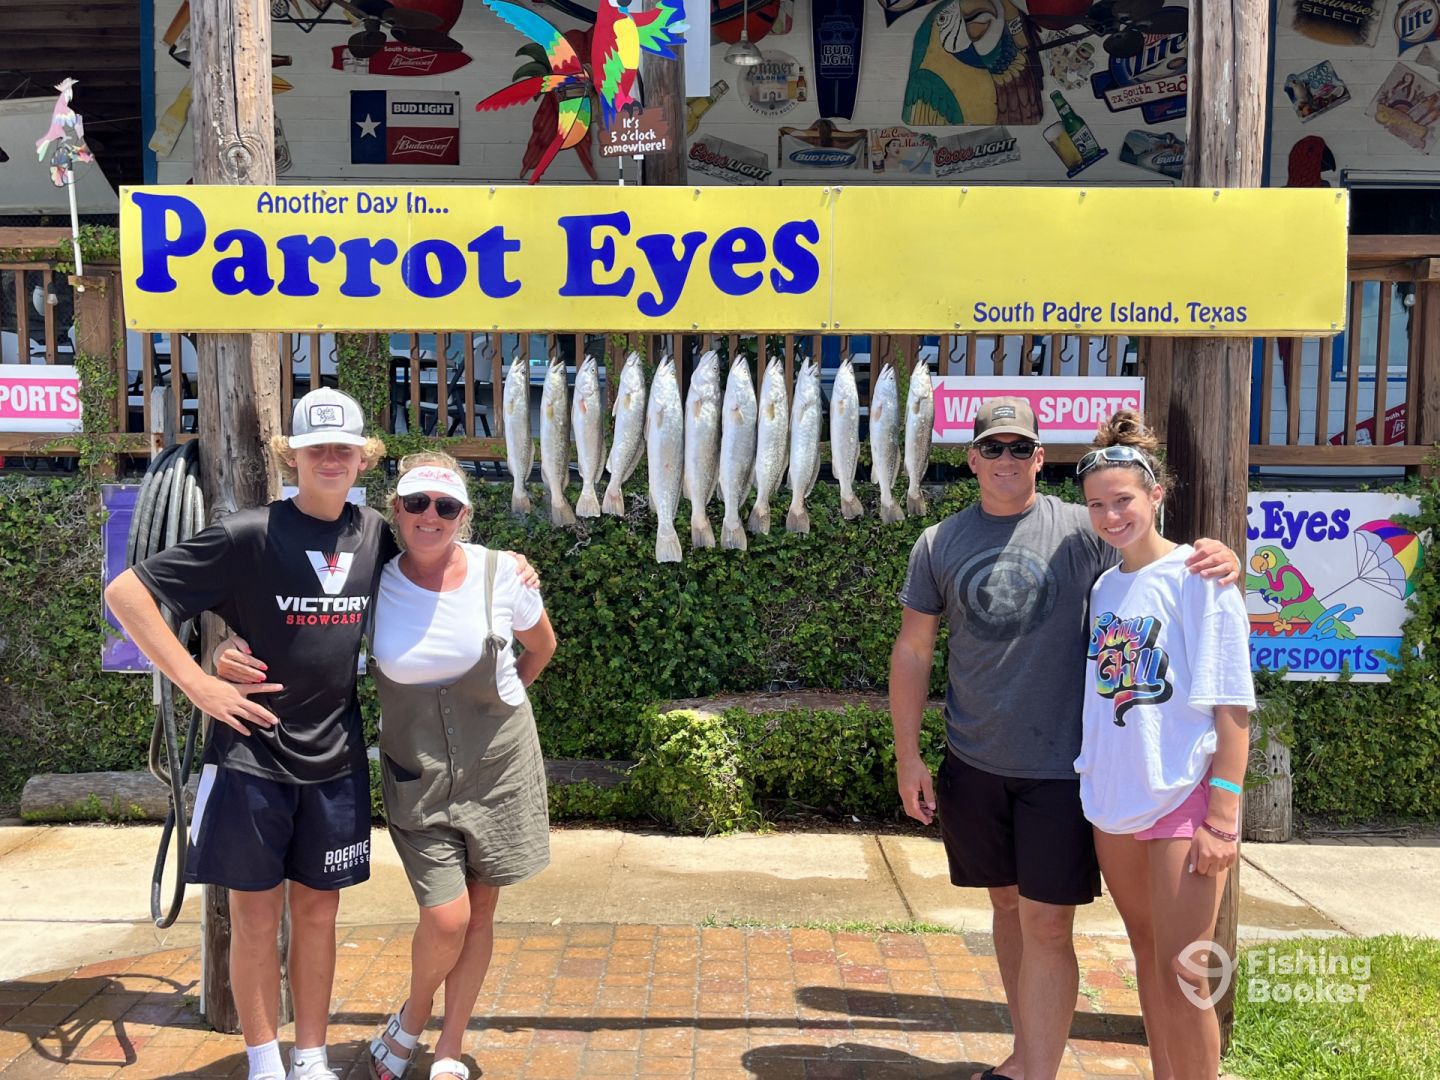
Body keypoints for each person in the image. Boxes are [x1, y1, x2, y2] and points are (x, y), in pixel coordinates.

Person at [888, 397, 1239, 1080]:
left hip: (1067, 774)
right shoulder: (940, 543)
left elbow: (1160, 561)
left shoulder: (1085, 533)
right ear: (972, 459)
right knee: (1014, 911)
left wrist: (1220, 556)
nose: (1007, 459)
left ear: (1040, 458)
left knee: (1066, 929)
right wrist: (909, 757)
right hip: (982, 763)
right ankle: (1028, 1059)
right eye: (994, 447)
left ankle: (1047, 1069)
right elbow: (913, 650)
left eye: (1021, 447)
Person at [220, 453, 556, 1080]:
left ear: (464, 515)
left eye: (446, 506)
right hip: (417, 772)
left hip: (500, 769)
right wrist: (224, 647)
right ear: (395, 510)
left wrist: (497, 702)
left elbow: (541, 647)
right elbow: (296, 615)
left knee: (481, 912)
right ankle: (412, 1014)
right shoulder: (373, 577)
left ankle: (447, 1047)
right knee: (447, 916)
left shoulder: (502, 573)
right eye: (418, 503)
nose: (431, 516)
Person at [106, 388, 394, 1080]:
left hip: (335, 761)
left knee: (319, 918)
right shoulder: (249, 533)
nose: (330, 459)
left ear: (364, 458)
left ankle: (311, 1058)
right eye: (316, 448)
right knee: (255, 920)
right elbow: (127, 593)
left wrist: (513, 570)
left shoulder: (377, 534)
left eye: (344, 448)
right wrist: (199, 680)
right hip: (249, 758)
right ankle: (265, 1062)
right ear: (290, 456)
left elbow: (444, 563)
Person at [1073, 412, 1252, 1080]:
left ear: (1156, 494)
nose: (1111, 515)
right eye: (1097, 505)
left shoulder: (1200, 577)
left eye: (1123, 500)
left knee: (1185, 973)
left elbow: (1231, 705)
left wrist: (1223, 818)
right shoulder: (1104, 587)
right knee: (1147, 956)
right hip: (1116, 798)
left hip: (1183, 797)